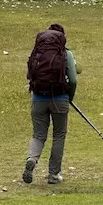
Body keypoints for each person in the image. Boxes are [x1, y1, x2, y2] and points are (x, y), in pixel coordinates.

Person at [22, 24, 82, 185]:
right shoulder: (66, 54)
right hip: (60, 100)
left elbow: (30, 75)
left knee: (38, 135)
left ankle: (32, 159)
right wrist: (70, 96)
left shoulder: (37, 53)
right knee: (59, 135)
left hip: (38, 99)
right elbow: (74, 79)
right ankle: (53, 175)